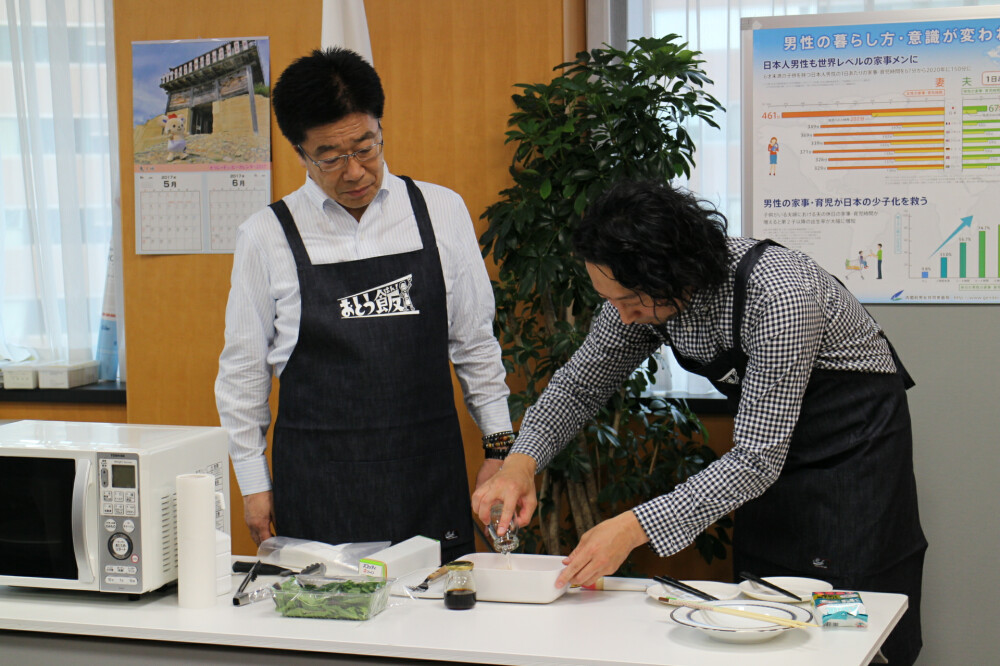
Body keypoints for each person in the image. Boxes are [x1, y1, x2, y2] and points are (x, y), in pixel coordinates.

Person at [473, 179, 926, 665]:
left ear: (669, 273)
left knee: (850, 621)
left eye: (628, 301)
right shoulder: (640, 297)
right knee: (763, 610)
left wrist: (630, 528)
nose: (622, 317)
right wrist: (520, 463)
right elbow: (579, 385)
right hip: (766, 458)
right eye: (612, 301)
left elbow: (755, 458)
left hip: (852, 449)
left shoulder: (779, 293)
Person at [216, 47, 513, 564]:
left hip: (426, 475)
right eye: (329, 157)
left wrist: (500, 449)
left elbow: (475, 343)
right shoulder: (266, 235)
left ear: (380, 129)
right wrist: (252, 482)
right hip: (318, 484)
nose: (353, 171)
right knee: (328, 629)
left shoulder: (439, 211)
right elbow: (243, 373)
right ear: (300, 153)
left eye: (365, 147)